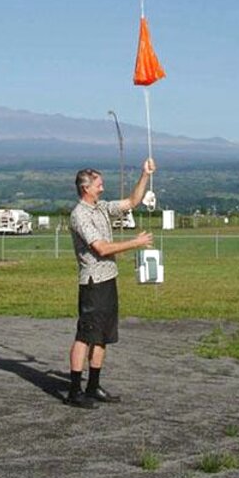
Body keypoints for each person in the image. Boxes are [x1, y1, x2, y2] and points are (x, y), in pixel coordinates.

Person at [65, 157, 155, 408]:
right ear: (86, 188)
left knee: (103, 336)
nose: (102, 188)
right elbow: (102, 248)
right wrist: (135, 243)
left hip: (109, 279)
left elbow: (133, 202)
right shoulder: (79, 215)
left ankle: (93, 387)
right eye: (99, 185)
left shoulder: (101, 208)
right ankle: (74, 391)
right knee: (85, 335)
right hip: (93, 283)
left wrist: (144, 174)